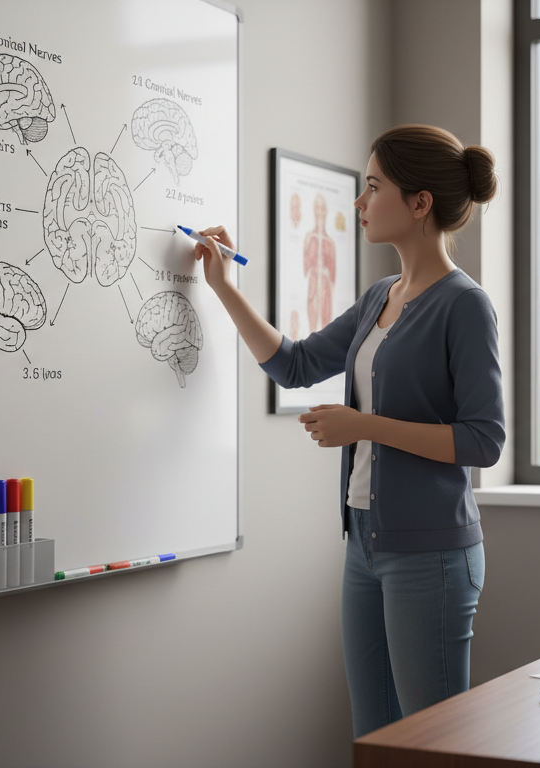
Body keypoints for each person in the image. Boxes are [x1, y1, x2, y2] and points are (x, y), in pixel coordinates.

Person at [193, 124, 504, 738]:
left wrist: (365, 426)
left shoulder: (465, 305)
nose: (358, 204)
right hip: (364, 541)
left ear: (420, 204)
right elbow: (295, 364)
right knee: (373, 734)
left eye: (372, 187)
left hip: (433, 553)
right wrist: (224, 287)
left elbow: (482, 440)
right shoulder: (378, 297)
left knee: (429, 744)